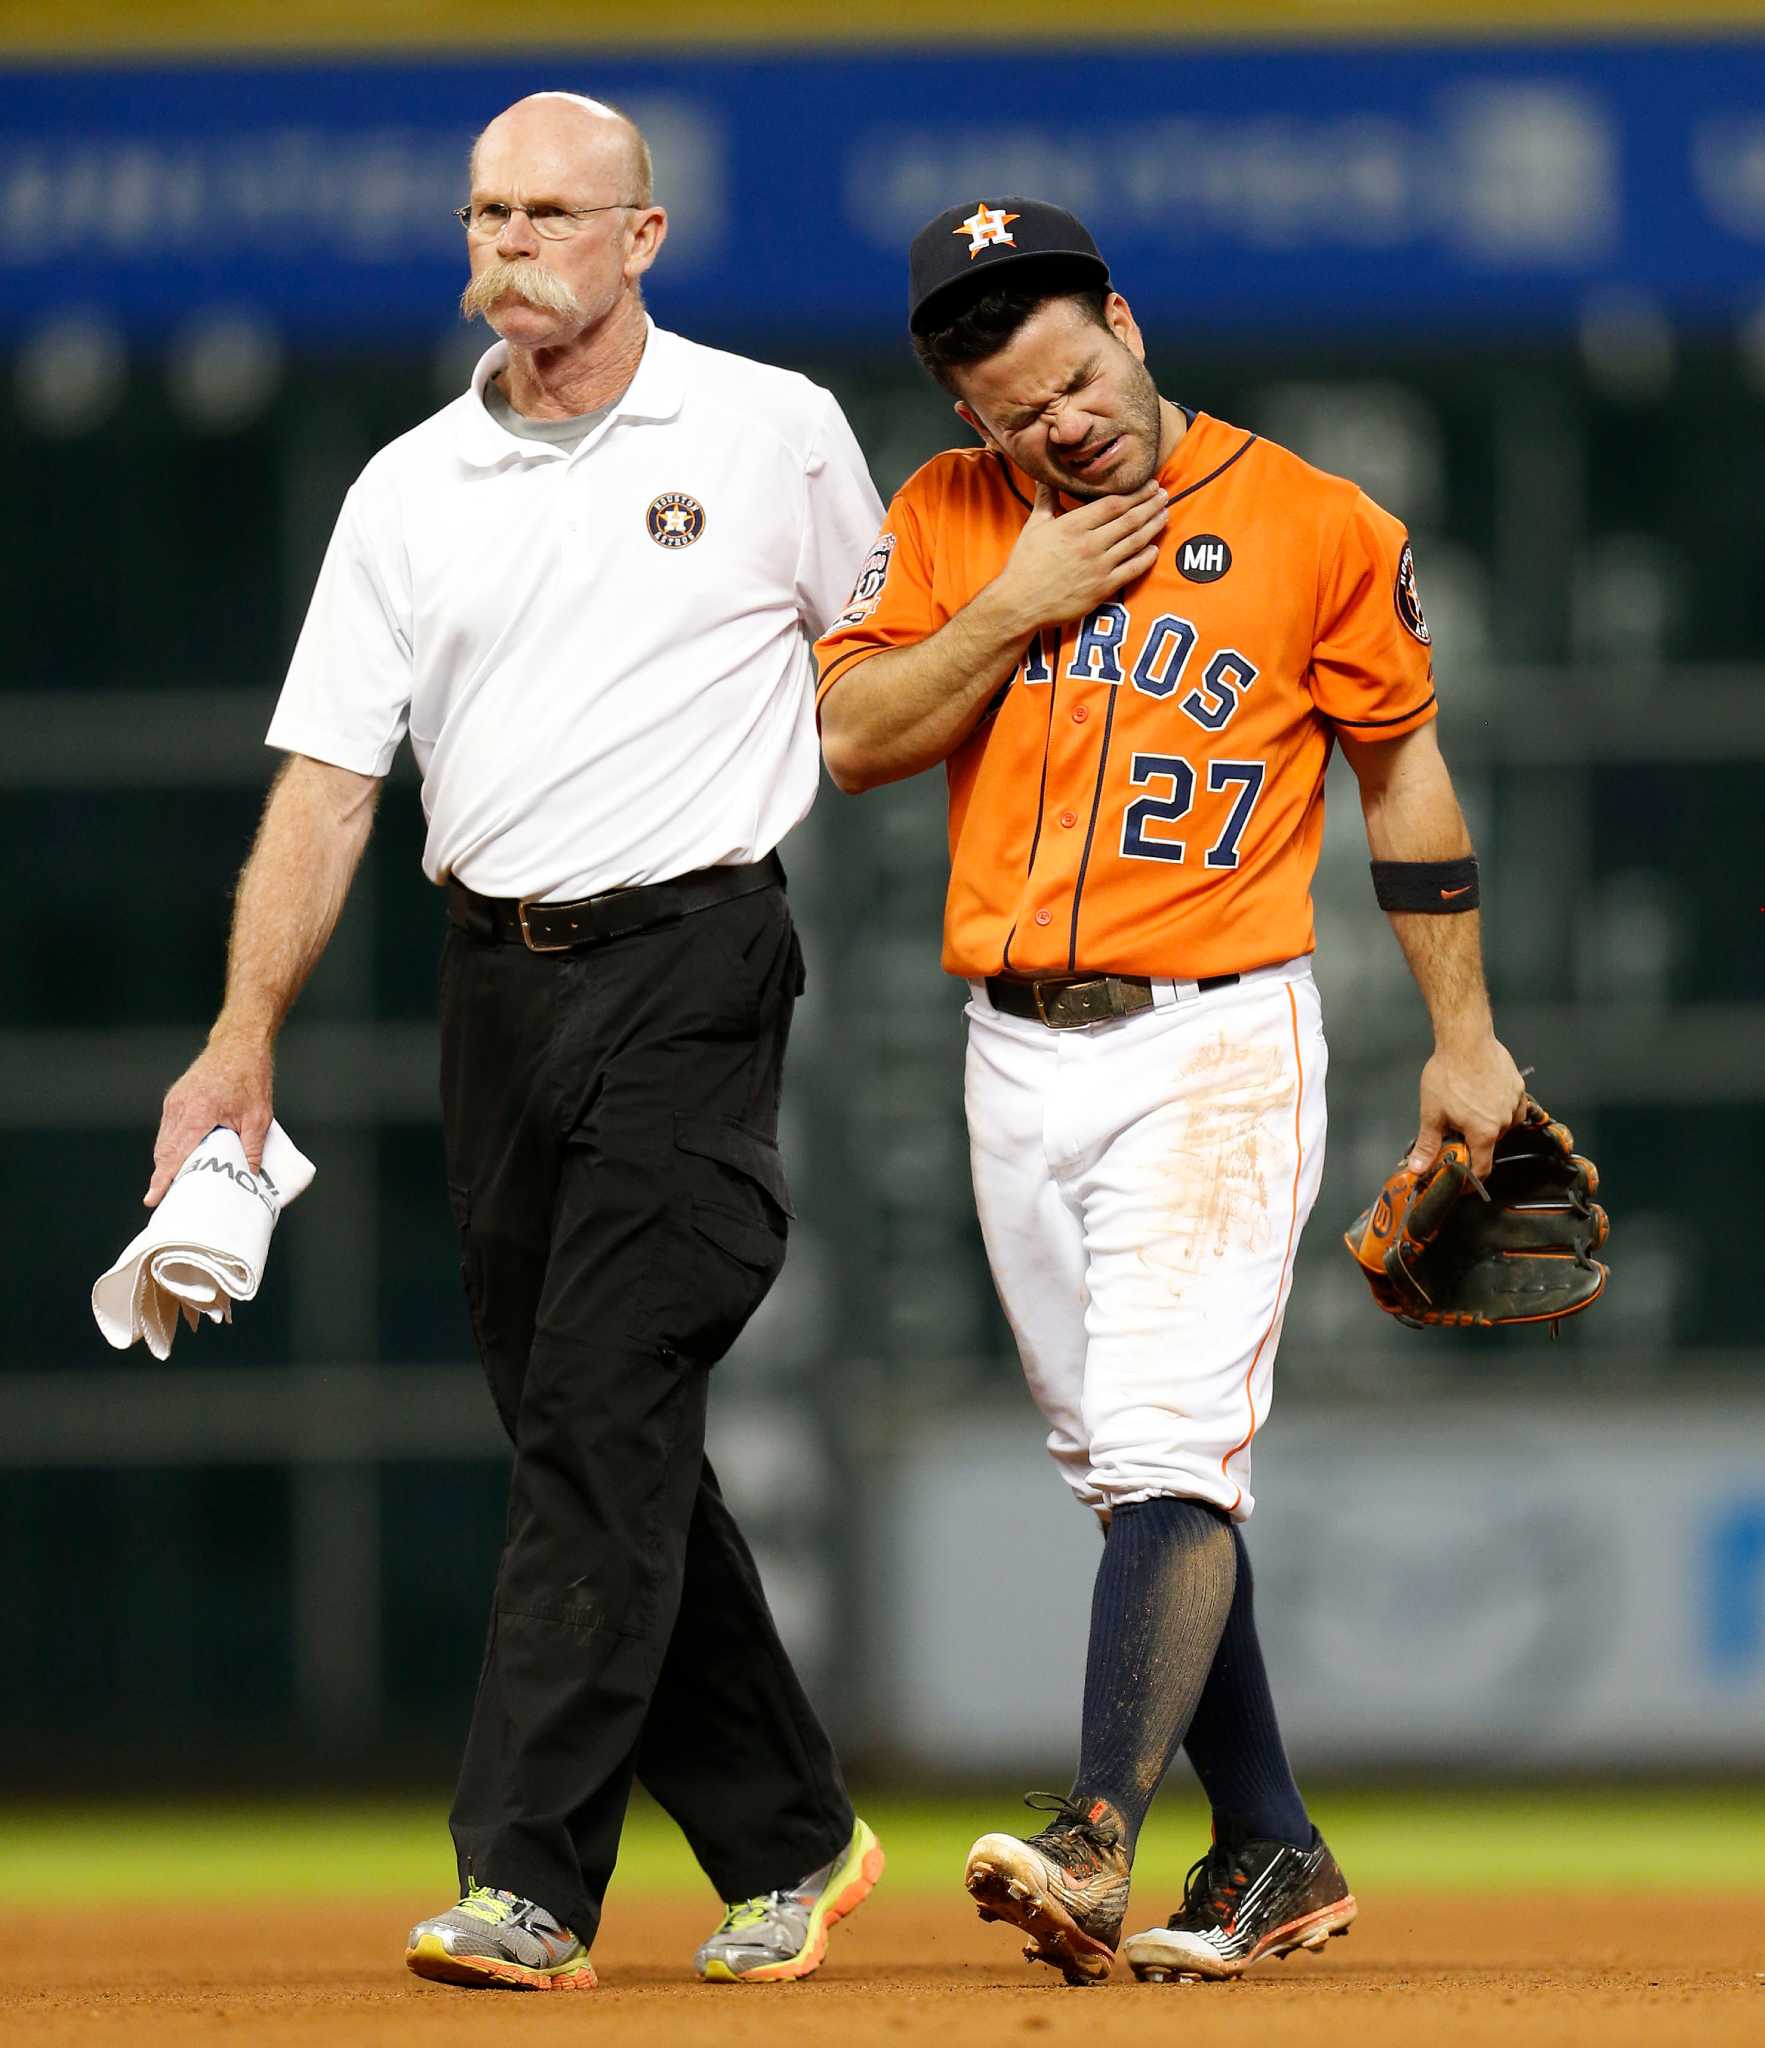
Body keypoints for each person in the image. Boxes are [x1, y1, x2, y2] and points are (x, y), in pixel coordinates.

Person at [147, 91, 885, 1993]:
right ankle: (797, 1841)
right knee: (591, 1429)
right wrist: (239, 1045)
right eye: (488, 211)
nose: (512, 242)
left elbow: (888, 678)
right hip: (494, 988)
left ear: (643, 240)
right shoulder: (406, 486)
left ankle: (529, 1881)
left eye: (554, 212)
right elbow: (324, 787)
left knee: (596, 1411)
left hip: (698, 963)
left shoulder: (770, 429)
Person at [814, 197, 1526, 1986]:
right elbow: (852, 739)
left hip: (1215, 1035)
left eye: (1070, 373)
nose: (1056, 423)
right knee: (1132, 1474)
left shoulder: (1312, 522)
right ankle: (1273, 1843)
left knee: (1160, 1446)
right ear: (969, 419)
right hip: (1010, 1048)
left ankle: (1092, 1838)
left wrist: (1464, 1039)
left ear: (1124, 326)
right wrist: (1019, 600)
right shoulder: (950, 519)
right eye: (1009, 408)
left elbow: (1404, 776)